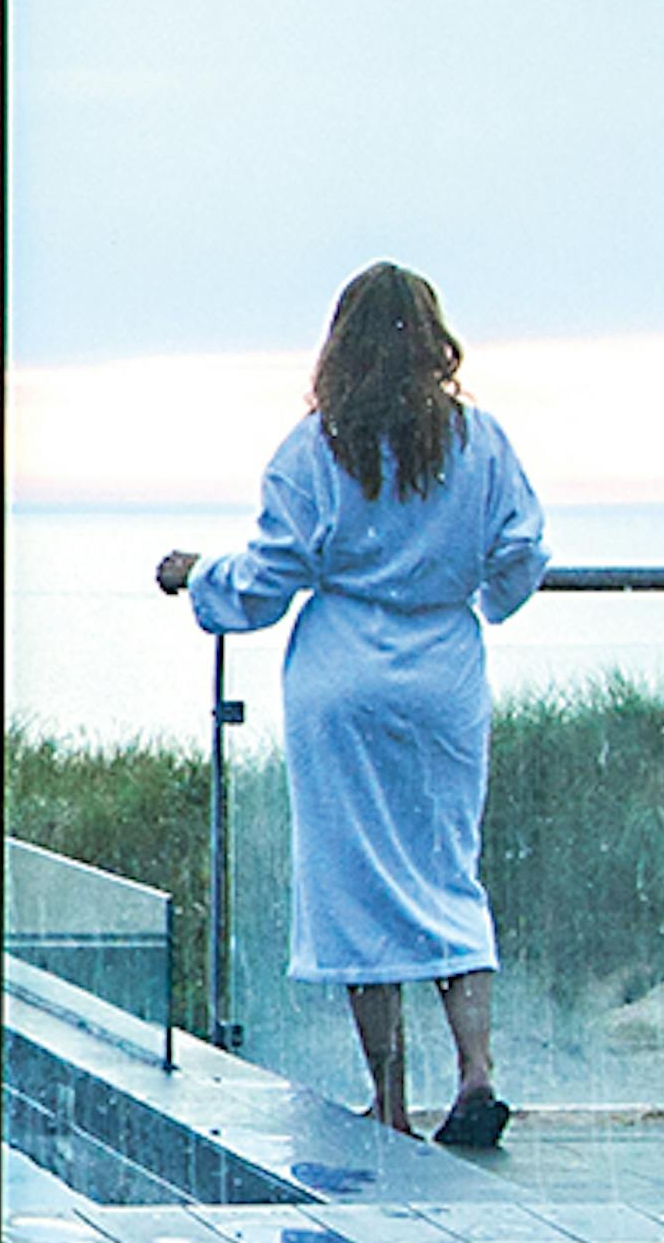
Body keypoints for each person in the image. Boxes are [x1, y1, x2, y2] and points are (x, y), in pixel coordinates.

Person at [155, 262, 554, 1154]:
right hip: (443, 676)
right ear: (434, 340)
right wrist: (471, 591)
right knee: (448, 869)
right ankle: (477, 1072)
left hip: (341, 681)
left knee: (355, 886)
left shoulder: (315, 449)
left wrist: (198, 577)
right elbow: (521, 553)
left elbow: (266, 580)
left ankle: (391, 1102)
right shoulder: (479, 441)